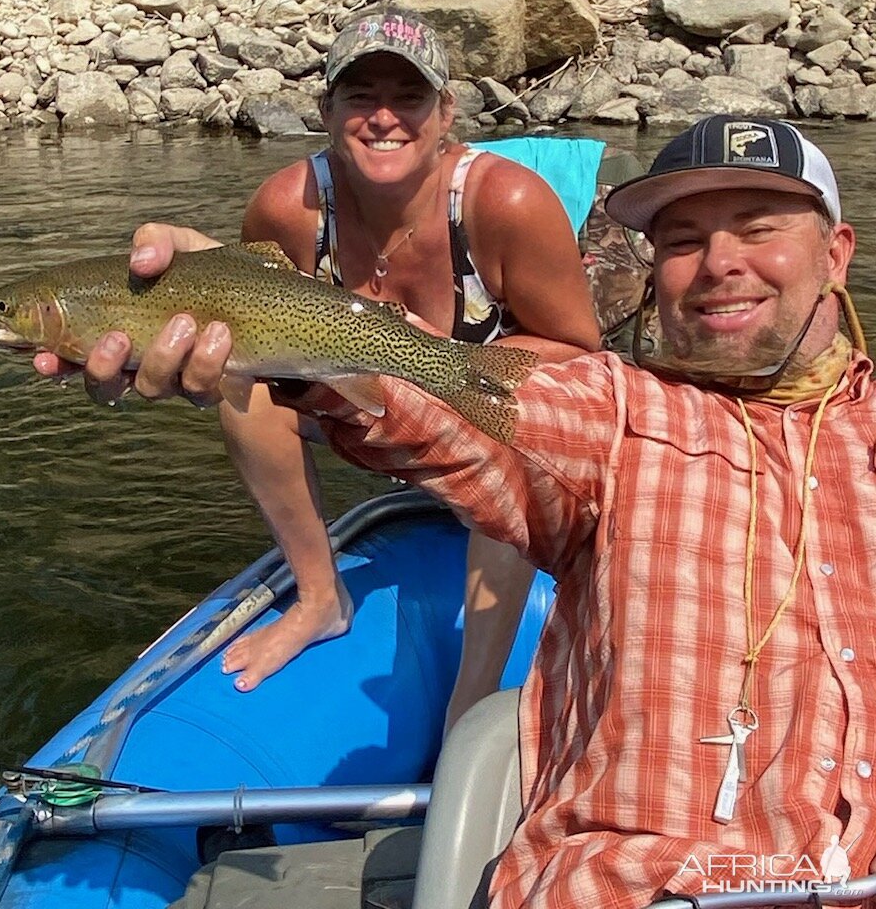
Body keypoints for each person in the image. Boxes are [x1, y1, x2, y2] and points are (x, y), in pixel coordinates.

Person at [93, 112, 872, 909]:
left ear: (835, 254)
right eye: (682, 242)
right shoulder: (617, 415)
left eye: (757, 228)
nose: (718, 264)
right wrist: (246, 309)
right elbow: (432, 404)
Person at [36, 7, 602, 716]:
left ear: (446, 111)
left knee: (510, 433)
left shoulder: (508, 203)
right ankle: (319, 595)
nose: (384, 118)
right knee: (245, 385)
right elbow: (252, 317)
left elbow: (581, 354)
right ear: (326, 109)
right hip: (354, 400)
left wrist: (451, 369)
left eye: (410, 97)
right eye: (361, 97)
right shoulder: (289, 207)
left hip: (478, 413)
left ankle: (474, 701)